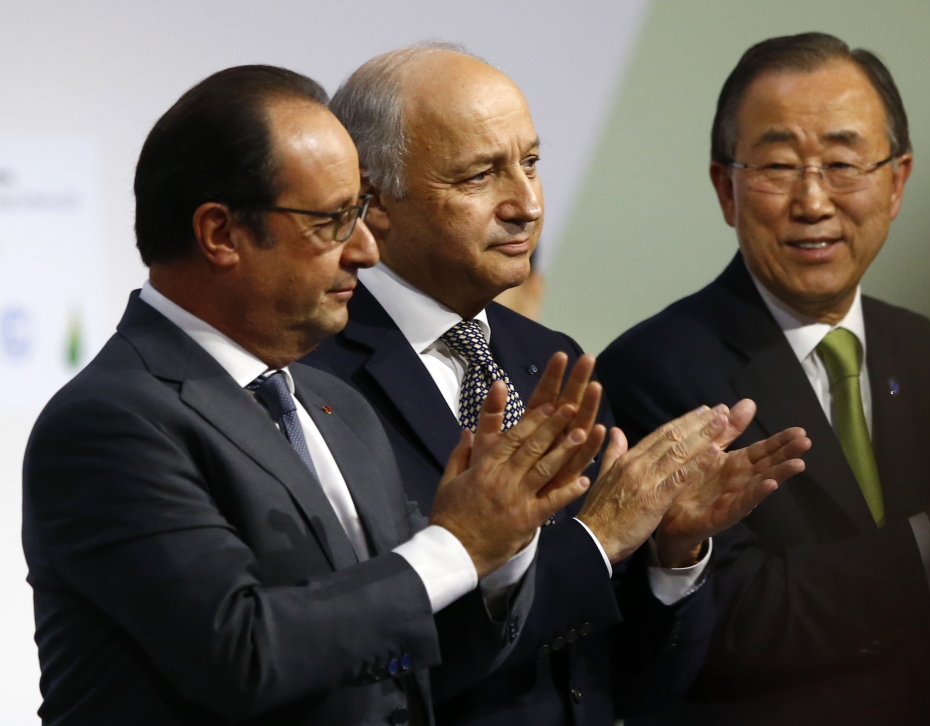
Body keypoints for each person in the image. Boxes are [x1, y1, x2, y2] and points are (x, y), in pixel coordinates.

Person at [21, 64, 616, 725]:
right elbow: (244, 655)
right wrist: (459, 544)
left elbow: (406, 661)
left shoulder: (338, 410)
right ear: (220, 233)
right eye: (333, 220)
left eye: (360, 213)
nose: (364, 250)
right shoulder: (111, 423)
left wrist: (502, 551)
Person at [303, 44, 810, 725]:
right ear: (374, 200)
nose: (527, 204)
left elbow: (625, 677)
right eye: (482, 174)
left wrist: (670, 554)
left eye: (532, 163)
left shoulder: (549, 356)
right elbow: (368, 662)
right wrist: (596, 540)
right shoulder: (311, 376)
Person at [597, 32, 930, 726]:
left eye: (841, 162)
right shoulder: (656, 369)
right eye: (777, 165)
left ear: (896, 181)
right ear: (725, 188)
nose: (813, 201)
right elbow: (732, 613)